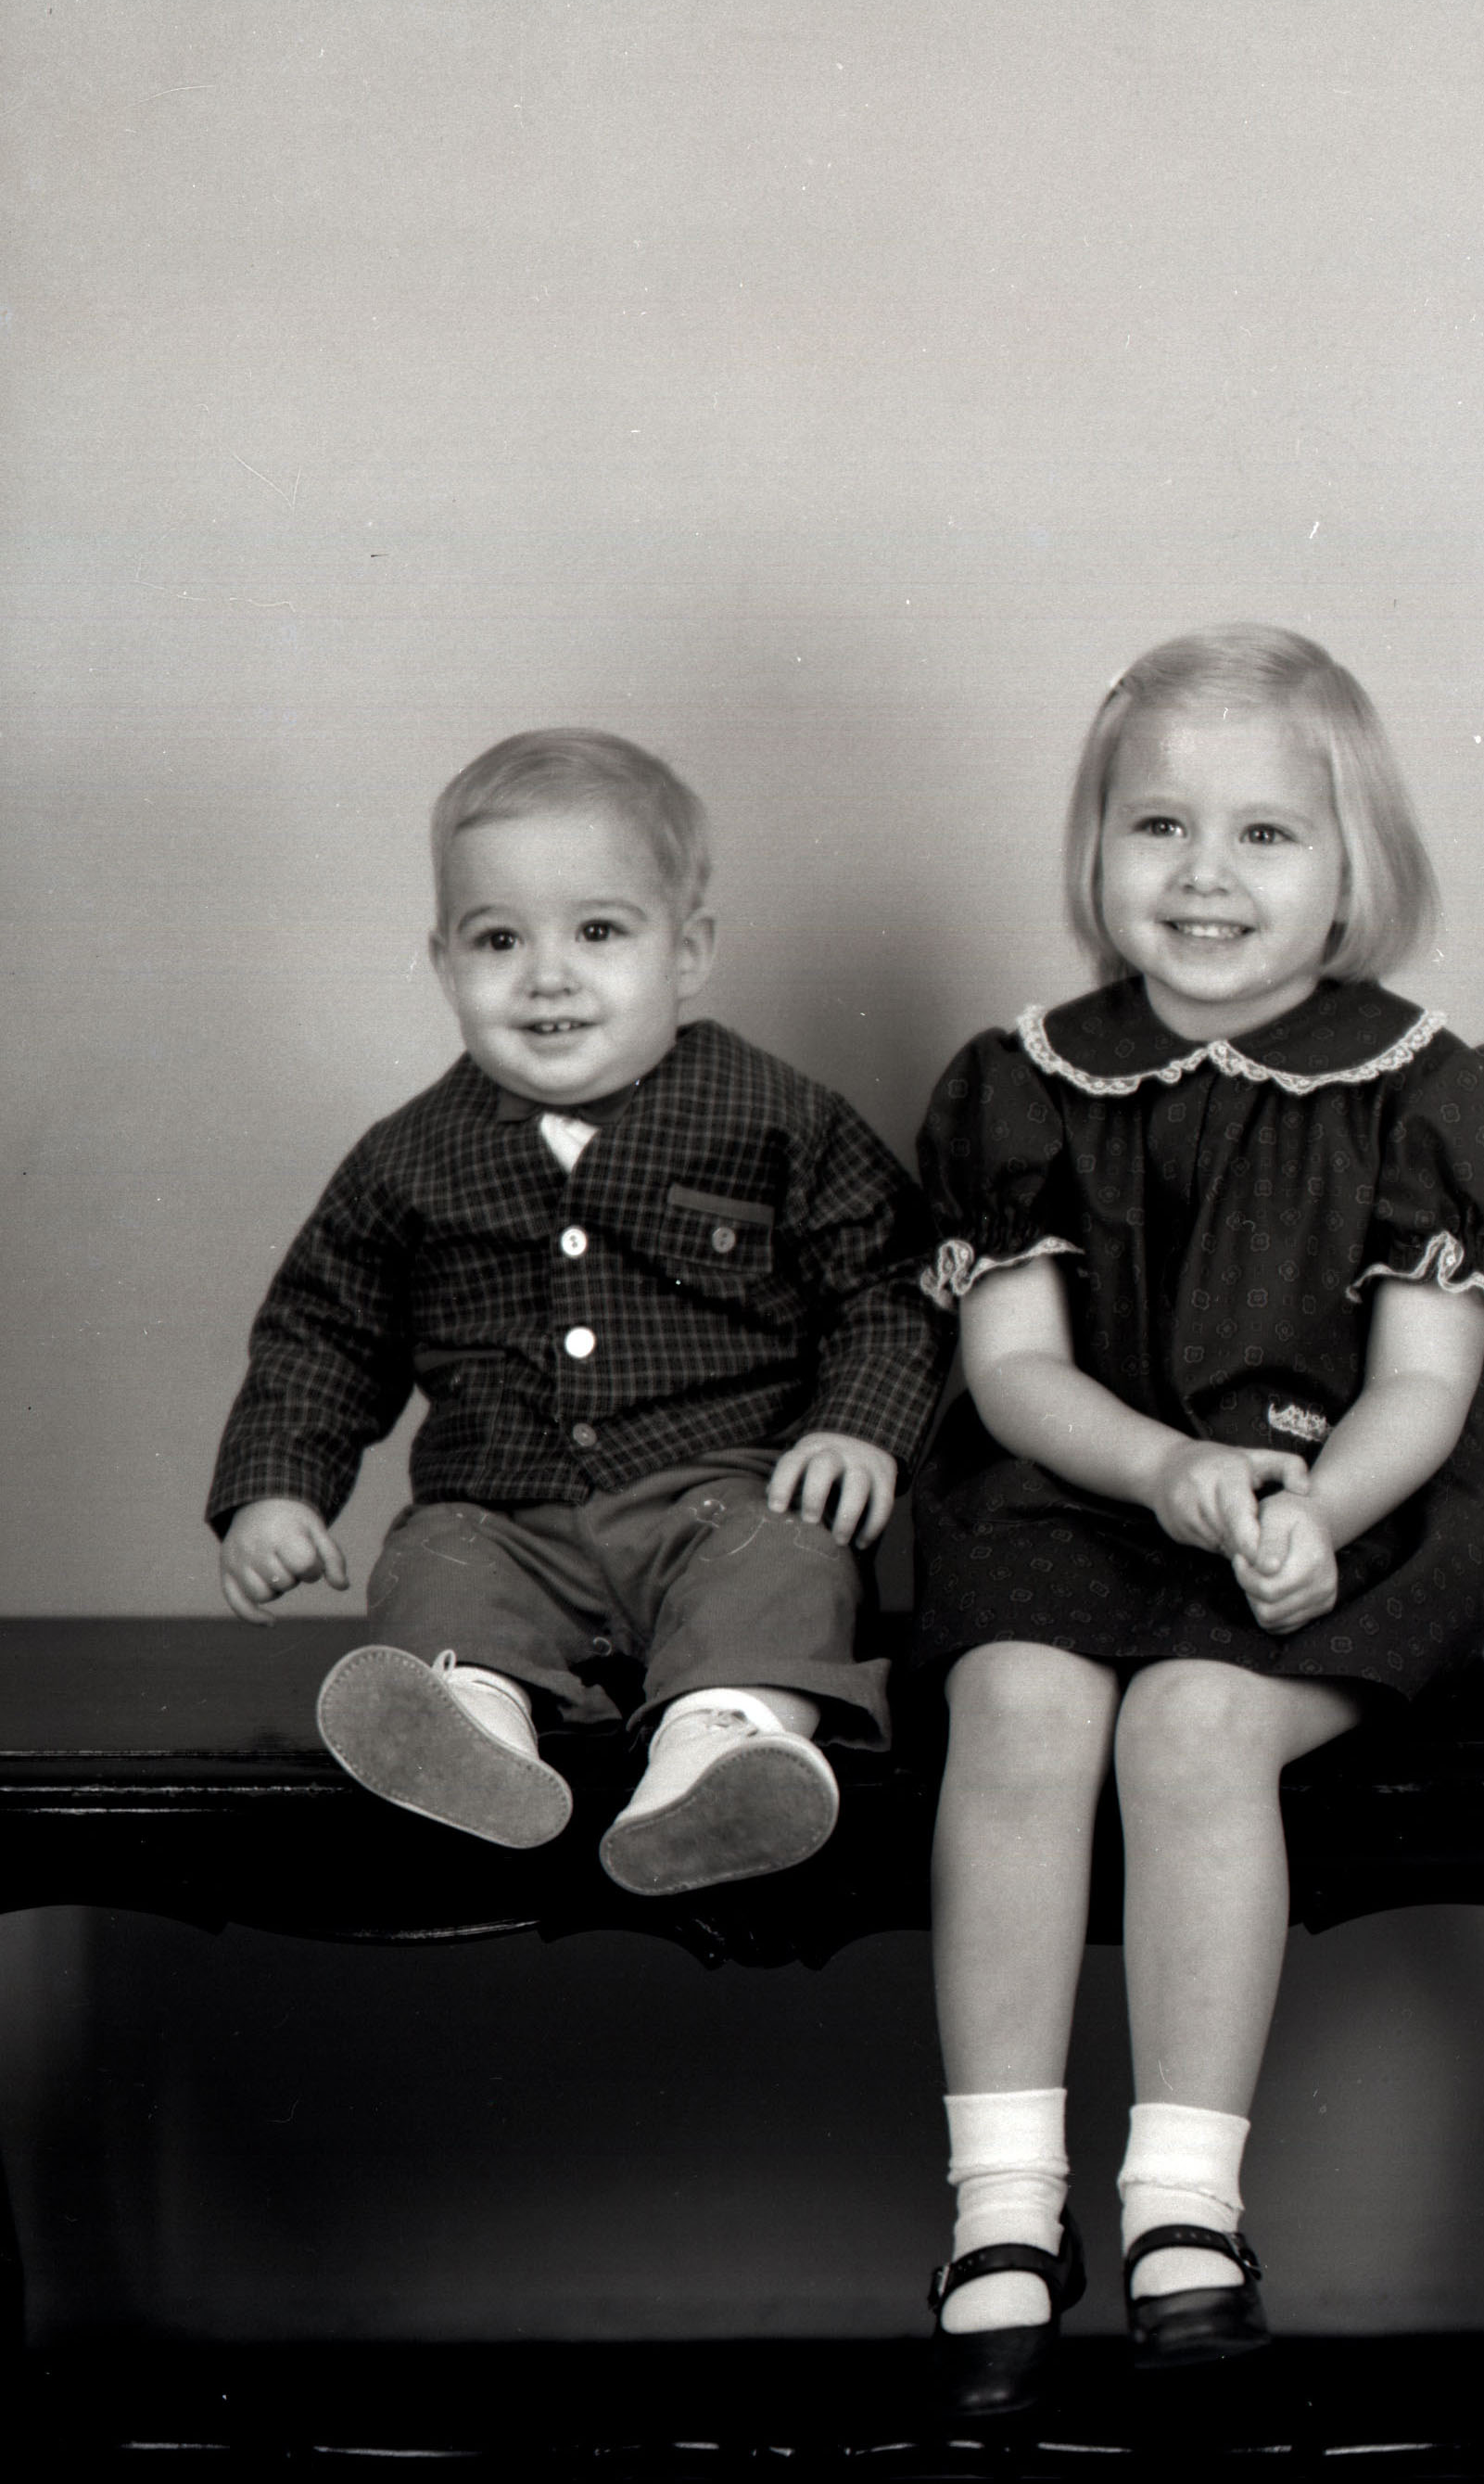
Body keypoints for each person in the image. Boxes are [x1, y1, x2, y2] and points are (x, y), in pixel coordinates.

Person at [913, 624, 1484, 2418]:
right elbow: (1012, 1367)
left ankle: (1184, 2200)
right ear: (1095, 848)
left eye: (1266, 833)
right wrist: (1157, 1471)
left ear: (1355, 865)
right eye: (1159, 826)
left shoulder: (1434, 1089)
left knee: (1195, 1727)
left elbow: (1423, 1391)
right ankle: (1001, 2198)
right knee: (1017, 1701)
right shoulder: (1021, 1079)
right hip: (1088, 1482)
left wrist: (1310, 1509)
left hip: (1358, 1500)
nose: (1204, 873)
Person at [209, 729, 945, 1896]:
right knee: (432, 1568)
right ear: (444, 961)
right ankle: (468, 1725)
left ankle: (721, 1748)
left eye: (598, 932)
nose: (547, 976)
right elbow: (325, 1328)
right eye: (499, 939)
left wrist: (860, 1426)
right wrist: (276, 1487)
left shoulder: (773, 1117)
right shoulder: (408, 1159)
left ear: (687, 951)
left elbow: (889, 1280)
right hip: (502, 1514)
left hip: (722, 1496)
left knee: (788, 1567)